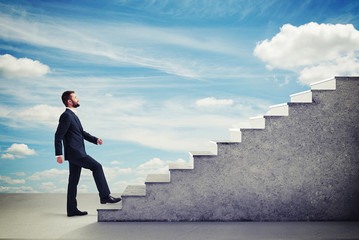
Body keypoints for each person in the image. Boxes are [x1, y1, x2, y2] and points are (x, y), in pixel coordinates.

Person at [55, 91, 121, 217]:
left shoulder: (73, 116)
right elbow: (58, 135)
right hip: (76, 153)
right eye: (75, 97)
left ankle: (71, 209)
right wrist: (58, 154)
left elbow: (81, 133)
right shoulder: (66, 116)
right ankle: (105, 196)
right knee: (97, 167)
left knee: (73, 182)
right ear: (69, 101)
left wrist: (95, 140)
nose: (78, 99)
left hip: (75, 153)